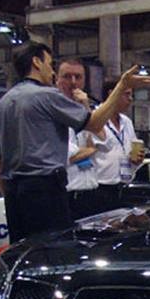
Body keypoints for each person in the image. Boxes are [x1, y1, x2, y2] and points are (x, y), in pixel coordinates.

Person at [0, 41, 150, 242]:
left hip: (14, 195)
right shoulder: (46, 96)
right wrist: (121, 86)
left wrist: (9, 194)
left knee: (23, 251)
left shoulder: (3, 104)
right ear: (36, 62)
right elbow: (94, 123)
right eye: (49, 64)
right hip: (46, 191)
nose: (51, 72)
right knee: (54, 249)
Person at [56, 58, 102, 220]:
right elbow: (65, 156)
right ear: (57, 80)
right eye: (67, 77)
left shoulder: (87, 110)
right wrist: (91, 149)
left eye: (78, 77)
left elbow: (102, 141)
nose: (73, 82)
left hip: (91, 192)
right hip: (67, 194)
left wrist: (85, 106)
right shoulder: (52, 112)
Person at [91, 80, 143, 212]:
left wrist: (136, 160)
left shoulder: (127, 122)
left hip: (123, 186)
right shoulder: (94, 118)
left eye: (131, 95)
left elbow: (131, 151)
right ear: (112, 94)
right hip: (99, 188)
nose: (130, 99)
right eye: (127, 94)